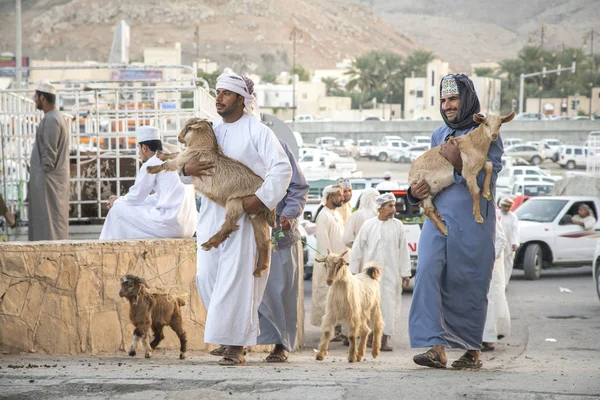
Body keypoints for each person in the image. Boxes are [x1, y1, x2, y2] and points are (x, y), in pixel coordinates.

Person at [182, 72, 292, 366]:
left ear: (241, 100)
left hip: (245, 220)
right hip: (211, 217)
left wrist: (257, 200)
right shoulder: (210, 131)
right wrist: (186, 170)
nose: (218, 98)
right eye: (217, 93)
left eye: (226, 94)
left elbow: (282, 170)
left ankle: (235, 347)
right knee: (207, 276)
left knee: (236, 280)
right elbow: (186, 165)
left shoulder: (258, 132)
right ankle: (227, 336)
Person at [408, 73, 503, 370]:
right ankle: (435, 347)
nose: (448, 106)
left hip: (473, 221)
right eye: (444, 101)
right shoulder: (439, 134)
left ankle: (472, 350)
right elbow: (430, 171)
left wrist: (459, 161)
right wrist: (414, 193)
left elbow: (492, 171)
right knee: (426, 271)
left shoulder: (486, 129)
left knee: (468, 280)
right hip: (438, 218)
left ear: (467, 100)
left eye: (453, 99)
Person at [256, 139, 309, 363]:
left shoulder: (278, 145)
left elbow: (298, 187)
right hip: (247, 232)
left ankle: (281, 344)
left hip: (279, 233)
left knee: (280, 291)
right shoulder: (232, 142)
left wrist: (289, 214)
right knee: (245, 291)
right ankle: (234, 341)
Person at [99, 126, 198, 240]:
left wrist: (117, 201)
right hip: (189, 228)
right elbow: (157, 198)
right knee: (125, 205)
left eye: (138, 148)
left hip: (171, 225)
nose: (139, 153)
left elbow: (136, 197)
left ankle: (105, 248)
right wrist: (121, 200)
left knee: (116, 210)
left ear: (144, 148)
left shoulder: (152, 163)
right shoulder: (171, 158)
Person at [349, 192, 411, 351]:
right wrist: (353, 271)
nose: (394, 209)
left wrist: (405, 272)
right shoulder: (368, 225)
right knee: (368, 306)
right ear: (380, 208)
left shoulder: (398, 225)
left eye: (394, 205)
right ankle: (369, 337)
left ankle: (384, 339)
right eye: (390, 206)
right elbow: (357, 249)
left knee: (389, 306)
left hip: (391, 273)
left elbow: (404, 250)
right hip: (370, 276)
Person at [28, 80, 70, 241]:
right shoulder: (53, 117)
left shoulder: (52, 119)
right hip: (49, 181)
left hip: (48, 182)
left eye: (36, 96)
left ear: (43, 98)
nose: (34, 99)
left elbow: (49, 154)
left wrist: (41, 174)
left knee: (49, 225)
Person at [311, 184, 347, 335]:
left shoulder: (336, 214)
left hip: (339, 265)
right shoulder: (323, 216)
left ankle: (337, 328)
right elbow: (324, 244)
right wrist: (330, 263)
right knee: (326, 295)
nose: (342, 198)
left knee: (338, 296)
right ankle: (327, 329)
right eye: (339, 195)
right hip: (329, 266)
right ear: (330, 197)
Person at [482, 209, 511, 352]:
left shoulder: (488, 210)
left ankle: (488, 339)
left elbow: (501, 239)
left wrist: (489, 260)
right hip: (482, 267)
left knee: (491, 302)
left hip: (491, 268)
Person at [499, 197, 519, 285]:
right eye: (505, 206)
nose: (506, 208)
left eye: (509, 206)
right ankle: (499, 284)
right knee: (498, 265)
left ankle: (505, 284)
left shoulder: (513, 217)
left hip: (509, 245)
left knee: (507, 265)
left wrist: (514, 243)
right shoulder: (497, 215)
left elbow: (515, 231)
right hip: (499, 244)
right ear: (501, 205)